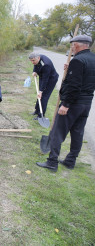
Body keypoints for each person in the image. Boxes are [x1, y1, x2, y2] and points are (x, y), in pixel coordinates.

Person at [36, 35, 95, 172]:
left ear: (77, 45)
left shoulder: (78, 61)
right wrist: (70, 70)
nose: (71, 48)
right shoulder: (92, 59)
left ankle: (52, 162)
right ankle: (70, 161)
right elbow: (87, 78)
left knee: (58, 132)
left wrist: (66, 104)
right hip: (86, 104)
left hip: (73, 104)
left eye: (72, 45)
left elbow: (74, 86)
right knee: (77, 133)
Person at [28, 52, 59, 120]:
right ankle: (37, 111)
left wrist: (41, 91)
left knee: (44, 96)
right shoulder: (38, 58)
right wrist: (34, 71)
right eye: (31, 61)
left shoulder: (46, 65)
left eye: (33, 60)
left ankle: (40, 115)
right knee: (39, 95)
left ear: (38, 58)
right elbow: (36, 65)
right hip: (43, 76)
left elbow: (45, 79)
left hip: (51, 79)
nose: (32, 62)